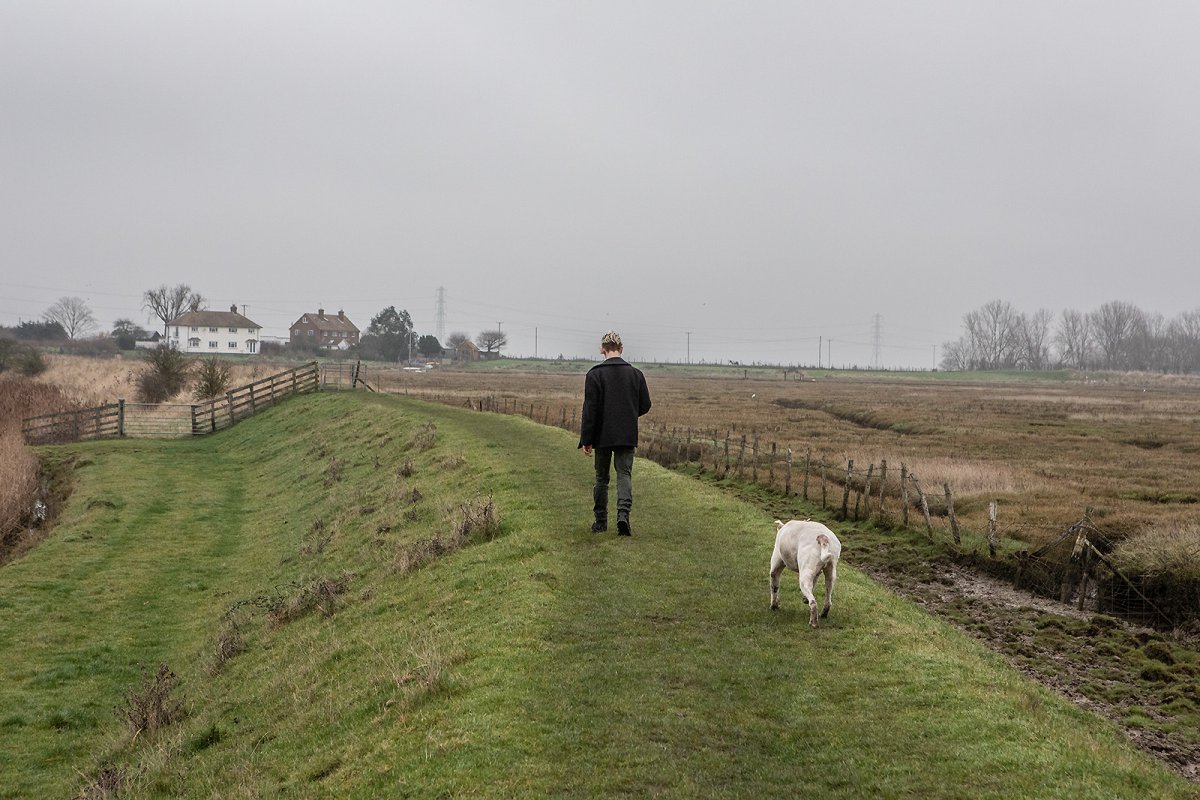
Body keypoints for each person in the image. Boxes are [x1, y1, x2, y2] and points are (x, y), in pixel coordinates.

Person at [578, 330, 652, 535]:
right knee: (624, 474)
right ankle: (623, 516)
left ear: (602, 349)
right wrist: (628, 414)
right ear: (621, 349)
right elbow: (645, 404)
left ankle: (600, 521)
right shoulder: (636, 375)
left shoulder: (594, 374)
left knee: (601, 478)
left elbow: (590, 410)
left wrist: (586, 439)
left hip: (602, 435)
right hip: (626, 433)